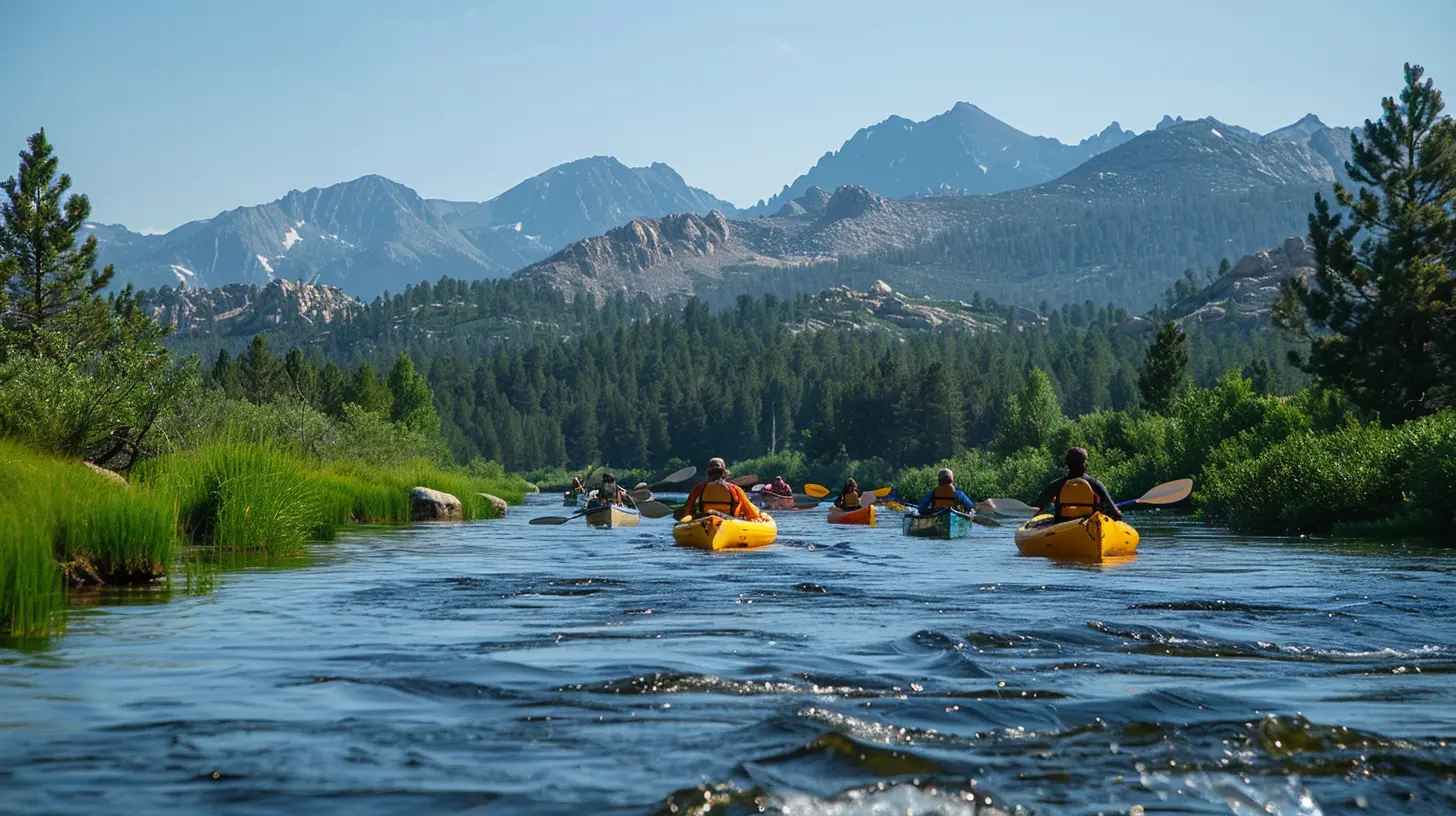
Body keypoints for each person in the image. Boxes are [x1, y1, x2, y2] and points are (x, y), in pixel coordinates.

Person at [1033, 447, 1122, 522]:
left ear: (1067, 464)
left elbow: (1037, 507)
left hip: (1062, 524)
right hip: (1090, 524)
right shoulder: (1096, 484)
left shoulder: (1056, 485)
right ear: (1085, 464)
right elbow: (1115, 513)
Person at [677, 457, 762, 521]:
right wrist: (761, 516)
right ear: (724, 473)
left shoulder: (699, 487)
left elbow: (687, 510)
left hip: (705, 521)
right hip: (729, 522)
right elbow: (752, 513)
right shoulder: (735, 489)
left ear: (709, 473)